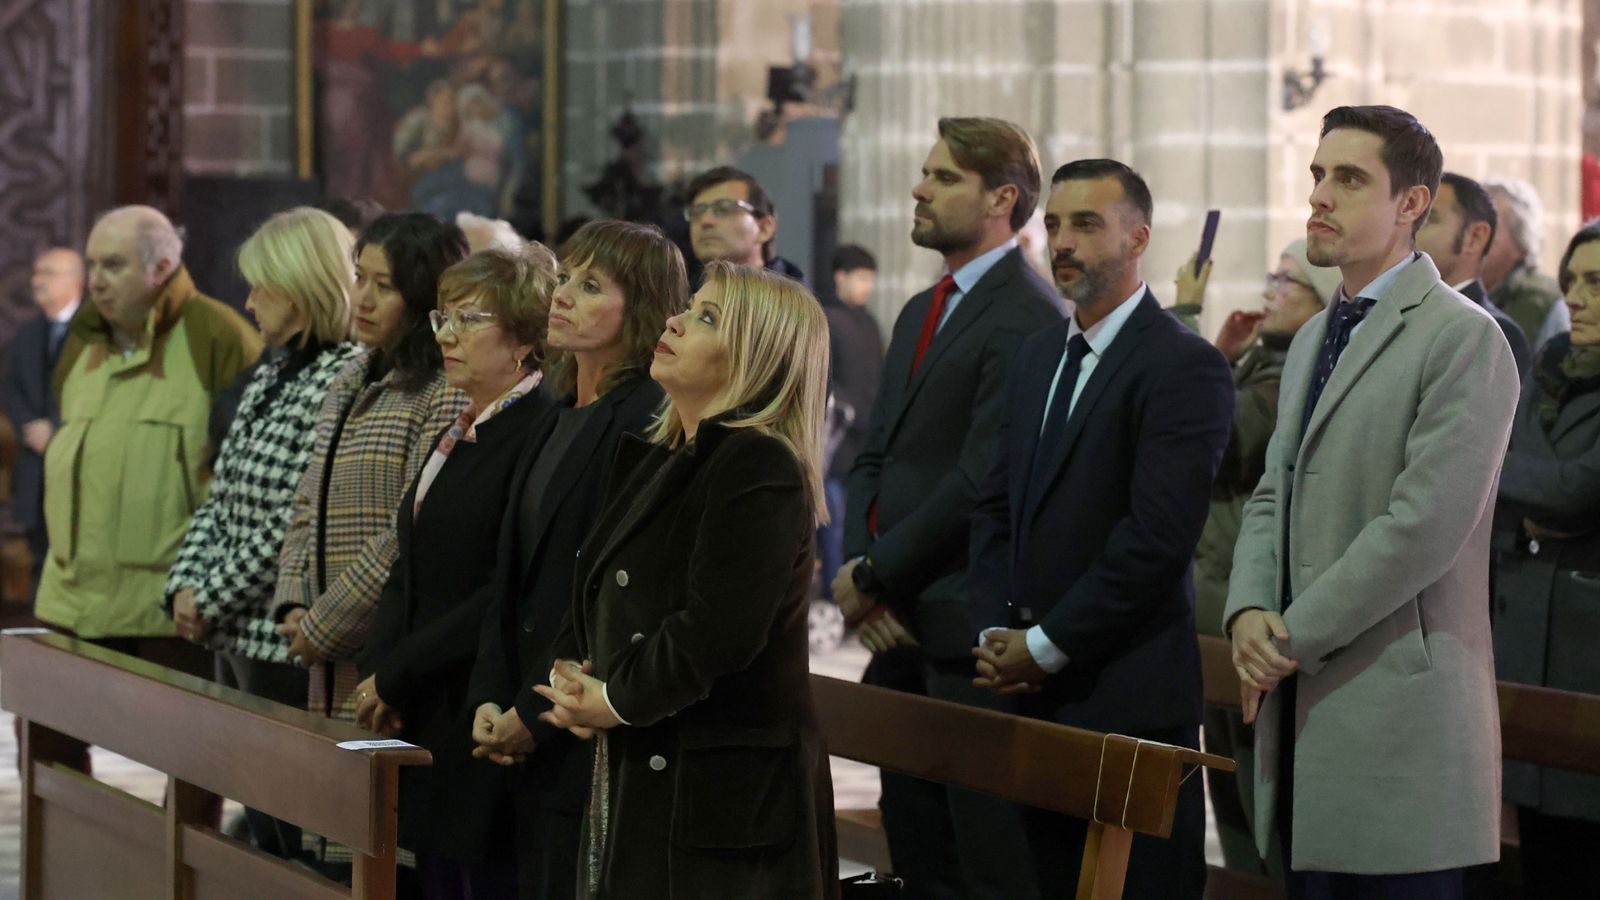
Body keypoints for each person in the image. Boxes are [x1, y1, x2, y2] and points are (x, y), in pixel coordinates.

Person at [1226, 105, 1519, 898]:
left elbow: (1422, 529)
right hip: (1302, 709)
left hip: (1397, 715)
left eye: (1350, 179)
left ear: (1411, 203)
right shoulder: (1313, 338)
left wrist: (1287, 636)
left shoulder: (1462, 337)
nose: (1319, 195)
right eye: (1318, 174)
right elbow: (1271, 491)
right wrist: (1247, 609)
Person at [967, 159, 1233, 900]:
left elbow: (1156, 540)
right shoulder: (1037, 355)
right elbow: (995, 507)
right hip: (1026, 688)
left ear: (1138, 238)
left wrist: (1044, 646)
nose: (1062, 241)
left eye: (1086, 224)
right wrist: (993, 631)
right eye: (1054, 224)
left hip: (1126, 691)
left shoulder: (1183, 365)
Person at [535, 262, 838, 899]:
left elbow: (720, 629)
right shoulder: (667, 454)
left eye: (706, 318)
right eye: (690, 306)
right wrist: (575, 670)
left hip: (720, 799)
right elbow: (595, 582)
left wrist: (615, 698)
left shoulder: (759, 463)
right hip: (651, 761)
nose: (674, 321)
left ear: (755, 356)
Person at [832, 116, 1061, 900]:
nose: (919, 189)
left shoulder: (1028, 313)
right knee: (917, 850)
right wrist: (860, 575)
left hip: (965, 627)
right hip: (901, 625)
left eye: (944, 177)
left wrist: (874, 573)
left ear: (1003, 199)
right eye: (926, 173)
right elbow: (874, 454)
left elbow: (979, 478)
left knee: (986, 862)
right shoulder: (922, 308)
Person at [465, 220, 684, 900]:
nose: (561, 296)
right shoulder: (555, 413)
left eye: (591, 287)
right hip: (524, 712)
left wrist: (531, 712)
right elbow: (510, 577)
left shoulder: (647, 419)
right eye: (565, 279)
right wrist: (490, 694)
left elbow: (605, 592)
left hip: (578, 723)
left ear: (641, 308)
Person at [355, 247, 555, 899]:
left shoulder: (537, 431)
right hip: (423, 702)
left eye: (469, 320)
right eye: (444, 317)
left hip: (477, 702)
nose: (446, 335)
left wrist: (401, 669)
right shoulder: (463, 425)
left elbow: (503, 585)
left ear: (524, 340)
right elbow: (410, 560)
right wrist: (382, 671)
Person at [163, 207, 362, 858]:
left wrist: (211, 596)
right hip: (231, 629)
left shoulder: (345, 375)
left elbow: (294, 518)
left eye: (260, 287)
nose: (248, 302)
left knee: (291, 830)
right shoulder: (273, 371)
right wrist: (184, 585)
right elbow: (221, 495)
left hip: (278, 635)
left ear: (300, 288)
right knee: (258, 820)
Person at [1174, 239, 1340, 879]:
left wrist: (1187, 322)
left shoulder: (1299, 374)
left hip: (1245, 610)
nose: (1270, 289)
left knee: (1259, 804)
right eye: (1272, 275)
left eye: (1288, 280)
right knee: (1229, 798)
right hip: (1216, 602)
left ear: (1323, 301)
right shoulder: (1258, 363)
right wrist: (1219, 355)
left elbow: (1209, 430)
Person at [38, 206, 261, 678]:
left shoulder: (218, 336)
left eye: (113, 265)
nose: (96, 281)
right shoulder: (80, 340)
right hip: (71, 603)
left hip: (168, 617)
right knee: (57, 726)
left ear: (161, 268)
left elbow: (249, 481)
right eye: (92, 264)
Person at [270, 212, 466, 728]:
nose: (364, 299)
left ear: (423, 297)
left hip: (384, 648)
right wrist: (293, 602)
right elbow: (307, 499)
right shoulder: (352, 376)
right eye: (360, 278)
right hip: (322, 639)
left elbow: (409, 529)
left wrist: (324, 625)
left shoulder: (444, 388)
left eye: (385, 286)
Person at [1491, 219, 1600, 900]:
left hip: (1588, 651)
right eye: (1572, 281)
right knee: (1539, 858)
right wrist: (1529, 490)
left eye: (1597, 283)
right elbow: (1517, 462)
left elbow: (1574, 491)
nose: (1576, 298)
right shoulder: (1550, 362)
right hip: (1527, 640)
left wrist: (1500, 477)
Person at [3, 247, 82, 593]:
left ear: (75, 279)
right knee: (38, 559)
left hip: (77, 464)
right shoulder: (26, 336)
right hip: (35, 465)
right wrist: (30, 429)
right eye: (36, 274)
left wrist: (55, 428)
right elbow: (10, 389)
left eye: (48, 273)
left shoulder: (96, 334)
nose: (37, 281)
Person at [818, 244, 884, 601]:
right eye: (860, 278)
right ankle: (835, 600)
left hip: (866, 447)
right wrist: (848, 409)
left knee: (859, 526)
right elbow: (822, 379)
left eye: (870, 280)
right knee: (834, 527)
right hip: (836, 445)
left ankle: (856, 595)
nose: (866, 287)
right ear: (840, 277)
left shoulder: (870, 323)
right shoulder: (827, 319)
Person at [1417, 172, 1531, 377]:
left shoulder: (1494, 331)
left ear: (1474, 237)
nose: (1410, 230)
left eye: (1428, 219)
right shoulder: (1392, 310)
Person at [1484, 177, 1571, 348]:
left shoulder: (1544, 301)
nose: (1474, 235)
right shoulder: (1457, 289)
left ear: (1521, 243)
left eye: (1490, 225)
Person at [684, 165, 808, 283]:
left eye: (724, 209)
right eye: (696, 212)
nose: (705, 221)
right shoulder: (681, 293)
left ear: (764, 228)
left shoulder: (798, 297)